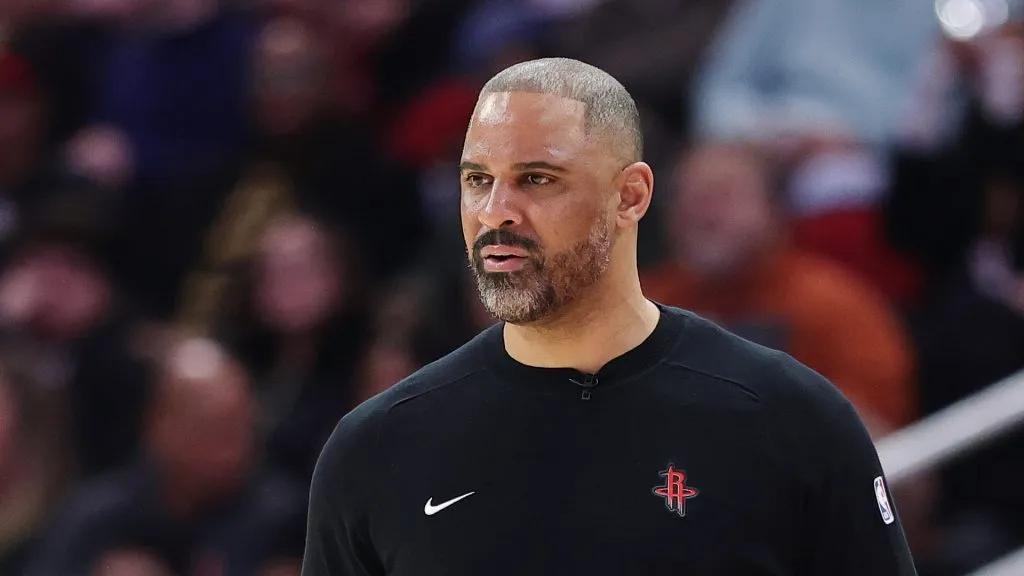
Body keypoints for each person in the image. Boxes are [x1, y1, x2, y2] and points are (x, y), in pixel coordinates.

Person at [300, 58, 918, 575]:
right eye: (477, 180)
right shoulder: (376, 449)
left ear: (631, 195)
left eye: (536, 179)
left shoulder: (790, 416)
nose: (496, 212)